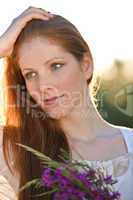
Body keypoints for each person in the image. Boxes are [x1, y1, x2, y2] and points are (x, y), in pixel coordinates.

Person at [0, 6, 133, 200]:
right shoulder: (16, 150)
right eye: (31, 74)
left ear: (86, 65)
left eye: (56, 66)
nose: (43, 85)